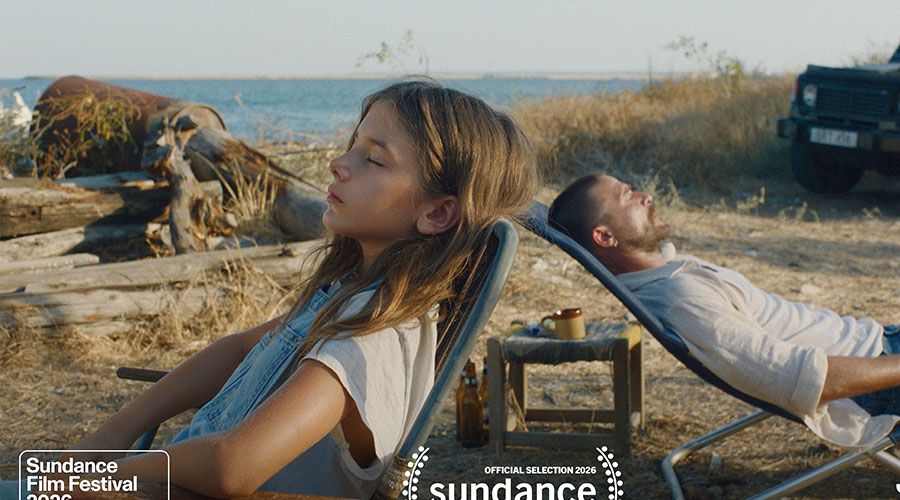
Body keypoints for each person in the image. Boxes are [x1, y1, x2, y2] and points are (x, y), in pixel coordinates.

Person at [8, 81, 537, 498]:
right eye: (352, 146)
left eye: (374, 159)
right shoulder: (350, 292)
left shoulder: (370, 336)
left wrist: (109, 476)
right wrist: (116, 431)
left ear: (437, 213)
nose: (338, 164)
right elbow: (241, 348)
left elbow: (233, 466)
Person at [548, 172, 899, 448]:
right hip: (877, 381)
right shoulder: (682, 299)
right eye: (629, 197)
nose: (646, 196)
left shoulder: (670, 271)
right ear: (605, 237)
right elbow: (802, 379)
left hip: (879, 347)